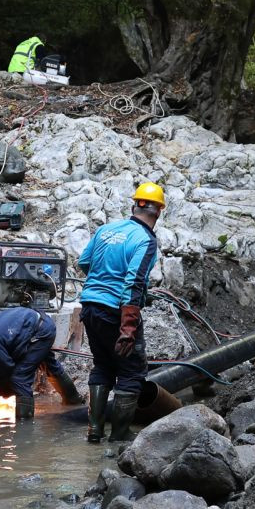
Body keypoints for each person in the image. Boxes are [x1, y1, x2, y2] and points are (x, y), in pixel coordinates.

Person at [76, 182, 165, 444]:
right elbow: (134, 282)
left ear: (135, 205)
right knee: (131, 372)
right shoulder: (145, 240)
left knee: (103, 365)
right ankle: (119, 434)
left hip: (90, 306)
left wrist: (102, 283)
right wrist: (128, 327)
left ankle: (94, 429)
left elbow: (84, 262)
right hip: (117, 311)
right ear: (158, 211)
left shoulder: (106, 229)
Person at [0, 307, 84, 420]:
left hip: (40, 331)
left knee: (20, 378)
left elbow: (9, 368)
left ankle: (24, 427)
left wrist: (1, 389)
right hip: (31, 320)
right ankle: (74, 401)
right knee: (49, 364)